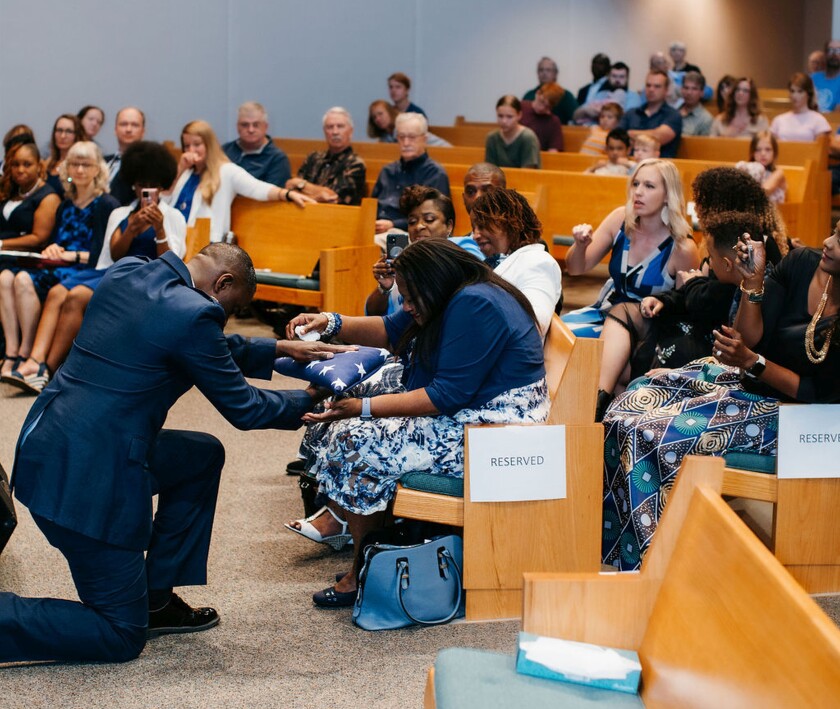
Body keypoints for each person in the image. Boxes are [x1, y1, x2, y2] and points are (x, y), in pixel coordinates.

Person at [0, 242, 351, 663]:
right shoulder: (194, 316)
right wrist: (314, 396)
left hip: (48, 445)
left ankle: (156, 599)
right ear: (222, 283)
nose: (225, 318)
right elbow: (246, 408)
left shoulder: (129, 271)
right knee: (119, 635)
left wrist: (278, 349)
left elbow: (193, 339)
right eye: (231, 307)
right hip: (89, 482)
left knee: (200, 456)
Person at [285, 238, 551, 607]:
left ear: (434, 280)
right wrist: (331, 322)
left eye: (410, 297)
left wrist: (364, 407)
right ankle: (371, 557)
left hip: (495, 435)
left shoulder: (475, 304)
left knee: (355, 441)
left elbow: (445, 397)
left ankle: (363, 569)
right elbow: (392, 329)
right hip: (476, 418)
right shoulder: (459, 293)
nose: (406, 306)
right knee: (351, 431)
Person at [602, 223, 840, 571]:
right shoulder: (804, 263)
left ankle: (654, 569)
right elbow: (748, 335)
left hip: (801, 418)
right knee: (630, 401)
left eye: (839, 240)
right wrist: (754, 283)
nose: (827, 241)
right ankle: (621, 552)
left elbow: (814, 393)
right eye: (833, 231)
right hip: (748, 383)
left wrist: (753, 362)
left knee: (648, 435)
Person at [10, 142, 186, 393]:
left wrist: (158, 230)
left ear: (161, 187)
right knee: (57, 292)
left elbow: (172, 262)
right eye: (139, 185)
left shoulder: (173, 217)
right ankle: (34, 361)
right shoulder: (122, 214)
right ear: (133, 185)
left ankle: (46, 370)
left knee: (76, 296)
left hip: (147, 278)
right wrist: (132, 229)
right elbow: (113, 254)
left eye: (152, 186)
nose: (145, 191)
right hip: (115, 271)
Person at [4, 142, 119, 392]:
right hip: (58, 263)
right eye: (74, 163)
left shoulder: (106, 204)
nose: (79, 169)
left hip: (86, 268)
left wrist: (70, 256)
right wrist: (53, 249)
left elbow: (104, 254)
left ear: (97, 169)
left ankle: (36, 361)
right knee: (18, 277)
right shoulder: (66, 204)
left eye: (85, 164)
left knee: (40, 284)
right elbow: (56, 241)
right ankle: (25, 354)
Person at [561, 159, 699, 342]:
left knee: (571, 340)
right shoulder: (620, 219)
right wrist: (580, 245)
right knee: (553, 330)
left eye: (649, 186)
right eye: (635, 184)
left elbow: (685, 309)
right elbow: (576, 269)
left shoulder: (682, 248)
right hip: (605, 311)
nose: (638, 192)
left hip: (648, 329)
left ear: (668, 195)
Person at [167, 120, 312, 245]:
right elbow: (165, 201)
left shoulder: (226, 171)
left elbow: (257, 188)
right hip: (177, 241)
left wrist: (286, 194)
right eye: (186, 146)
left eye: (197, 144)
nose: (191, 150)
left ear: (209, 145)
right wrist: (180, 169)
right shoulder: (186, 172)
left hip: (206, 244)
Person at [366, 186, 481, 316]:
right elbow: (373, 313)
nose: (419, 226)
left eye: (429, 219)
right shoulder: (406, 263)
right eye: (412, 222)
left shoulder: (463, 246)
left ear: (449, 225)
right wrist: (385, 287)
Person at [0, 140, 60, 379]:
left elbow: (38, 237)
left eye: (27, 164)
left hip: (27, 260)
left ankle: (26, 351)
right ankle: (11, 350)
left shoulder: (48, 195)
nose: (21, 170)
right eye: (16, 164)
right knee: (3, 279)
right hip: (6, 262)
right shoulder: (10, 192)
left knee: (11, 277)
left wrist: (2, 244)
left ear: (39, 166)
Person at [470, 188, 562, 337]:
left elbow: (534, 325)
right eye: (473, 228)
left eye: (482, 225)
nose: (475, 236)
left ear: (510, 223)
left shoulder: (538, 262)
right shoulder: (491, 263)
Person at [371, 113, 450, 235]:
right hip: (375, 229)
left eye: (412, 137)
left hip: (411, 234)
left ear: (424, 139)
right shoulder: (387, 171)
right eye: (401, 137)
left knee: (373, 244)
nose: (406, 143)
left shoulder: (434, 173)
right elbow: (371, 207)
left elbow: (433, 219)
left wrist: (393, 224)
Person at [285, 107, 366, 205]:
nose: (335, 132)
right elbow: (291, 189)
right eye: (330, 127)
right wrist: (318, 196)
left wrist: (302, 185)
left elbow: (334, 198)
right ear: (324, 131)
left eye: (340, 126)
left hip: (338, 217)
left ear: (351, 131)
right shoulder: (313, 158)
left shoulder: (355, 164)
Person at [221, 101, 290, 187]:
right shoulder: (224, 151)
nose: (251, 130)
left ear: (265, 127)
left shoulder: (277, 158)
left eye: (256, 125)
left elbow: (274, 195)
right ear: (237, 127)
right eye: (245, 125)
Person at [620, 70, 682, 158]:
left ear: (666, 90)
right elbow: (618, 139)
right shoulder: (631, 113)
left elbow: (658, 137)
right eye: (648, 85)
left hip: (660, 166)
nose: (651, 89)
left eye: (657, 86)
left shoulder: (673, 115)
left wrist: (630, 133)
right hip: (629, 163)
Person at [574, 62, 642, 125]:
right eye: (614, 76)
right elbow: (577, 114)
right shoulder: (601, 94)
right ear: (608, 77)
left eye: (621, 77)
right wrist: (587, 110)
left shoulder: (633, 97)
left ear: (627, 78)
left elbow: (626, 119)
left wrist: (596, 111)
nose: (617, 80)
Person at [770, 73, 832, 142]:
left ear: (808, 94)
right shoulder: (779, 120)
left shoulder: (818, 120)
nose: (795, 96)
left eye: (800, 91)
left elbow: (821, 149)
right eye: (792, 91)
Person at [485, 95, 541, 169]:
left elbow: (528, 173)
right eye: (500, 116)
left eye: (509, 117)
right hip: (499, 180)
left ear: (519, 115)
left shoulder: (528, 137)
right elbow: (489, 170)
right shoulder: (492, 138)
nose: (504, 121)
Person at [104, 107, 146, 206]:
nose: (128, 129)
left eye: (135, 125)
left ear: (143, 131)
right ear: (115, 129)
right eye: (123, 124)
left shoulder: (149, 164)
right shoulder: (101, 161)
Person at [522, 57, 579, 124]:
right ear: (537, 73)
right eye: (541, 70)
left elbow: (576, 117)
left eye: (548, 70)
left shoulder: (565, 95)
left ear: (555, 74)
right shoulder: (529, 95)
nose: (544, 73)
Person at [739, 131, 786, 204]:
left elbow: (764, 191)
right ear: (752, 152)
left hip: (774, 213)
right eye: (758, 150)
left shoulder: (778, 173)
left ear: (775, 152)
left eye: (768, 149)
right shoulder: (748, 168)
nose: (763, 153)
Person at [44, 114, 86, 194]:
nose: (63, 136)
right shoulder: (47, 163)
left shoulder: (80, 166)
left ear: (77, 135)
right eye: (59, 130)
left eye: (69, 131)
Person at [520, 83, 565, 152]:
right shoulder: (521, 107)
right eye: (541, 102)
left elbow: (553, 151)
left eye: (547, 107)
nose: (542, 108)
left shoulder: (553, 122)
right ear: (537, 93)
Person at [679, 71, 713, 136]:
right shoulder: (673, 112)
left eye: (694, 89)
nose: (689, 92)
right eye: (686, 88)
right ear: (681, 90)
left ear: (702, 93)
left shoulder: (706, 119)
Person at [811, 39, 840, 112]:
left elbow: (837, 115)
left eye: (838, 50)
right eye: (830, 50)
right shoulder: (812, 78)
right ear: (825, 54)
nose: (834, 54)